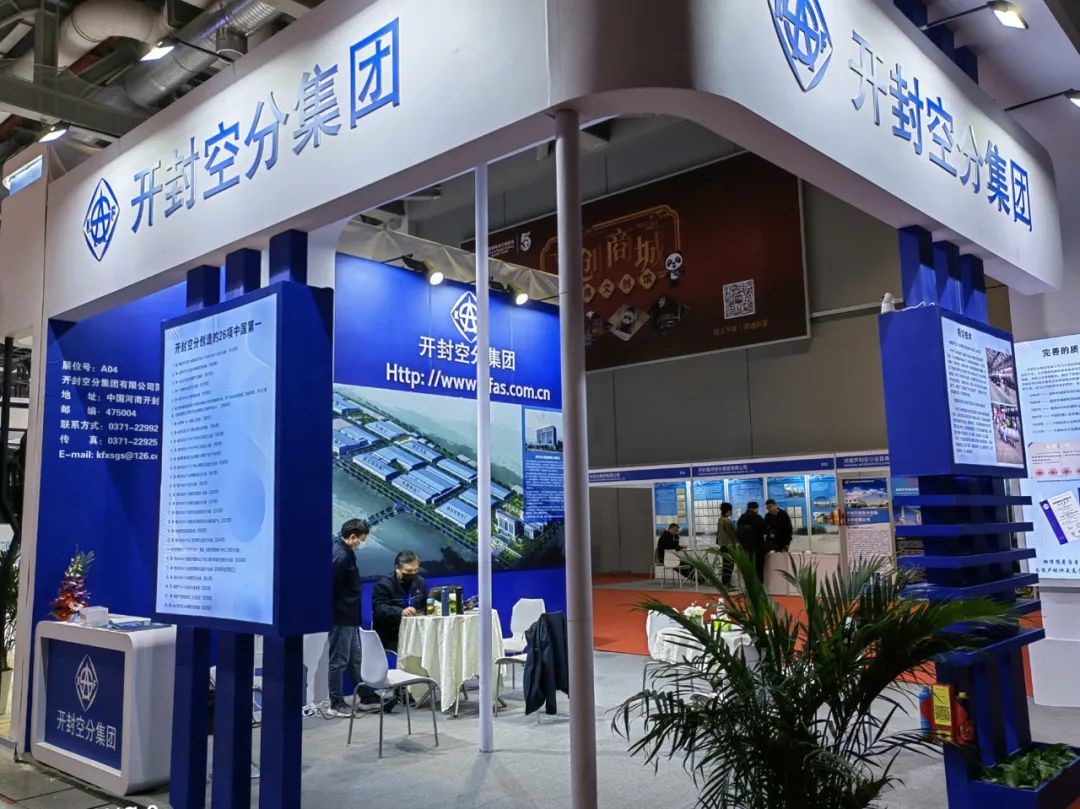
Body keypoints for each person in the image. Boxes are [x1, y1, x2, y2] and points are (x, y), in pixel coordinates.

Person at [328, 518, 387, 718]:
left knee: (355, 660)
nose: (361, 543)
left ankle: (367, 697)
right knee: (338, 661)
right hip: (340, 617)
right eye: (361, 540)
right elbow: (330, 588)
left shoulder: (346, 553)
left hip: (350, 617)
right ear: (353, 537)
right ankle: (336, 703)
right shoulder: (340, 555)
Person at [373, 550, 427, 652]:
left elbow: (424, 605)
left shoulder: (420, 582)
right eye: (409, 571)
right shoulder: (384, 585)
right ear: (397, 568)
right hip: (391, 635)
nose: (413, 574)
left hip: (416, 633)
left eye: (416, 570)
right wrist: (401, 612)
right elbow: (379, 609)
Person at [736, 502, 767, 583]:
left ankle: (749, 584)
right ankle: (759, 585)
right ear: (756, 509)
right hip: (757, 547)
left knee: (748, 566)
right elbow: (764, 530)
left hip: (745, 547)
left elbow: (738, 531)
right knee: (758, 567)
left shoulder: (741, 518)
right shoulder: (757, 517)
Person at [715, 502, 737, 586]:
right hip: (729, 546)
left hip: (723, 546)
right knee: (729, 566)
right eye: (731, 510)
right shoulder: (727, 521)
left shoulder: (720, 519)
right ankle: (727, 583)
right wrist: (736, 543)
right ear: (728, 510)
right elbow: (731, 534)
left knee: (726, 565)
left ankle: (725, 583)